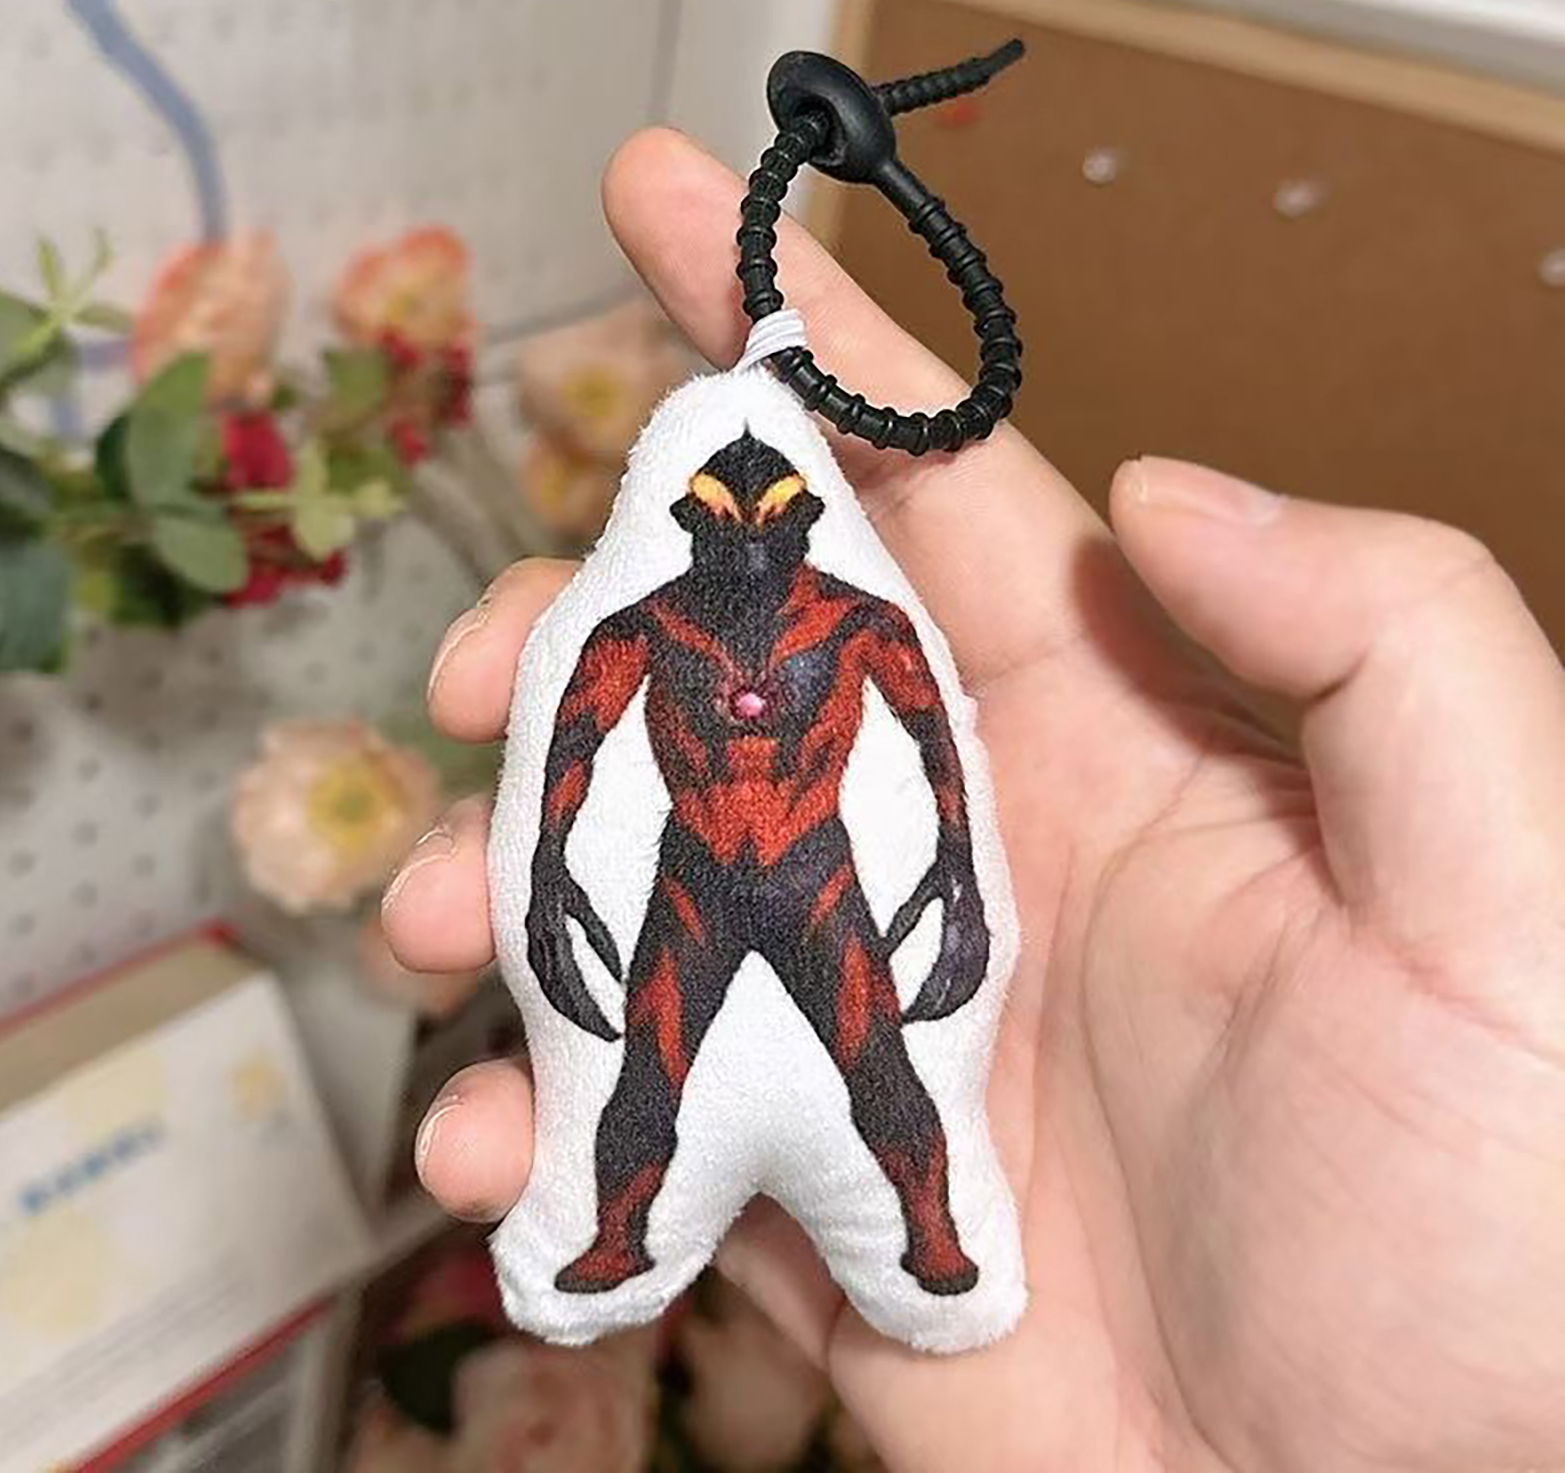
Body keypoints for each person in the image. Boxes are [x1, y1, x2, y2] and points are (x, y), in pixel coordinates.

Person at [379, 128, 1565, 1472]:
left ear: (794, 521)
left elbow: (937, 758)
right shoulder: (640, 628)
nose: (750, 542)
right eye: (725, 523)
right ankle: (619, 1230)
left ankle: (930, 1233)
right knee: (650, 1073)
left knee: (881, 1068)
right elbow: (575, 764)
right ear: (697, 522)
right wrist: (548, 890)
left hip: (820, 873)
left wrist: (950, 878)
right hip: (692, 878)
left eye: (768, 522)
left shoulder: (855, 623)